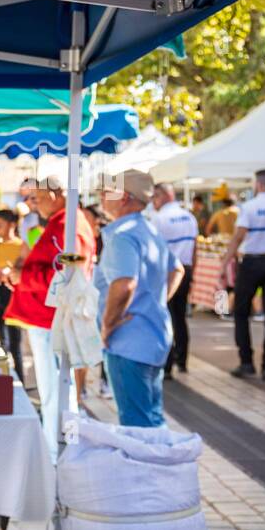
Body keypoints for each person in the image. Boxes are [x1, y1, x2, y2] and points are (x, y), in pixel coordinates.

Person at [5, 176, 97, 459]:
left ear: (57, 195)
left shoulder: (69, 225)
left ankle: (59, 453)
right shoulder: (63, 224)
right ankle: (57, 449)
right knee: (53, 390)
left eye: (39, 197)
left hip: (50, 319)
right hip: (46, 317)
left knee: (56, 390)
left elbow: (71, 274)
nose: (35, 204)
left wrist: (25, 276)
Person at [97, 171, 186, 427]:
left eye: (106, 192)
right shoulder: (147, 228)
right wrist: (155, 301)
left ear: (123, 197)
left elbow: (125, 284)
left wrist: (108, 324)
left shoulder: (123, 234)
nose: (102, 197)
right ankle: (159, 465)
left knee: (138, 423)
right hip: (150, 334)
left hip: (129, 340)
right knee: (151, 417)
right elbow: (176, 269)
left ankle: (150, 467)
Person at [222, 169, 265, 380]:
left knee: (241, 312)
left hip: (251, 263)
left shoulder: (250, 207)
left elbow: (238, 237)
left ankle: (246, 362)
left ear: (259, 185)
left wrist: (224, 262)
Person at [150, 181, 198, 378]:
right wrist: (191, 272)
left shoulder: (159, 218)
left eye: (155, 197)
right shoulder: (189, 217)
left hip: (166, 271)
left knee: (165, 317)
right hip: (185, 269)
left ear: (162, 196)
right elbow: (195, 249)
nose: (153, 201)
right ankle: (182, 360)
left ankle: (167, 365)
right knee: (180, 317)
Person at [0, 208, 25, 384]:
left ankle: (20, 380)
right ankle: (3, 377)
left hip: (14, 294)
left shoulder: (21, 246)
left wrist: (11, 271)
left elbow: (21, 270)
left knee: (15, 341)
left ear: (12, 225)